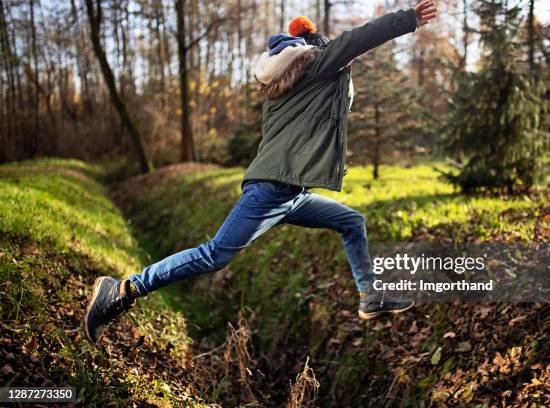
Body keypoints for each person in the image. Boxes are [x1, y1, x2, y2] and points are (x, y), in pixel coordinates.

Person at [84, 0, 438, 343]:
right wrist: (409, 18)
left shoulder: (281, 91)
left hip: (291, 194)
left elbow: (332, 98)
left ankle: (369, 296)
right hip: (271, 190)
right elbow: (353, 41)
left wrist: (331, 59)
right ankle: (125, 288)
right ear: (306, 54)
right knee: (214, 255)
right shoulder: (313, 68)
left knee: (352, 221)